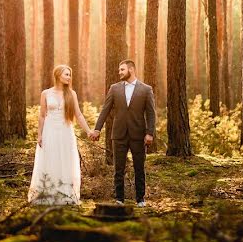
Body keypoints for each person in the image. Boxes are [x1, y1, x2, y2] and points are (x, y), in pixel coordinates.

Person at [90, 59, 156, 207]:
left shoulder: (146, 89)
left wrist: (149, 133)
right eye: (119, 70)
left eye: (122, 70)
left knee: (139, 167)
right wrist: (97, 128)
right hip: (118, 134)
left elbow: (151, 113)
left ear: (131, 70)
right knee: (118, 168)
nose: (119, 72)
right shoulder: (114, 88)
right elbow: (105, 110)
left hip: (138, 135)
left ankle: (140, 199)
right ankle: (119, 199)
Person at [27, 65, 93, 205]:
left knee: (65, 160)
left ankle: (65, 194)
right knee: (50, 159)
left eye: (70, 74)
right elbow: (42, 116)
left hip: (65, 131)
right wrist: (39, 135)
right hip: (50, 130)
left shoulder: (71, 94)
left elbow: (78, 115)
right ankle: (47, 193)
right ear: (58, 75)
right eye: (66, 74)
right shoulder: (46, 93)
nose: (69, 77)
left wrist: (88, 131)